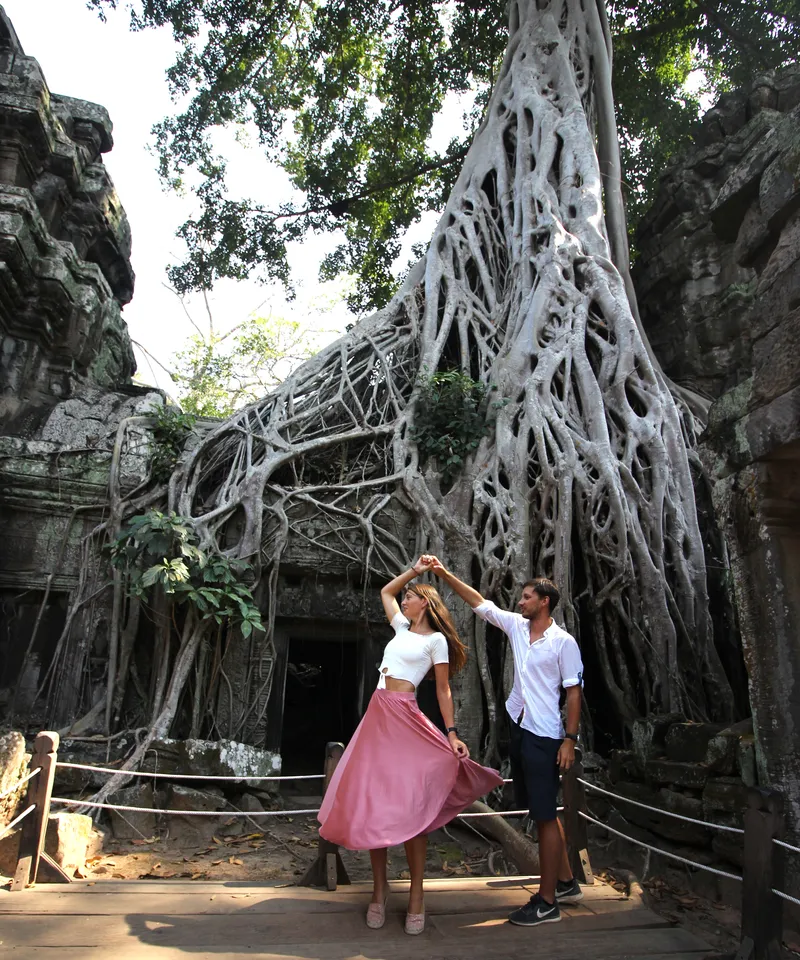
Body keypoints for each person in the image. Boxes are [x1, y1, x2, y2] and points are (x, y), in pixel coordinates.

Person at [318, 557, 503, 935]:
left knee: (412, 809)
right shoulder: (400, 628)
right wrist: (416, 571)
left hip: (404, 716)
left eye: (411, 596)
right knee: (374, 804)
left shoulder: (436, 641)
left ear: (427, 603)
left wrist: (451, 732)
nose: (403, 600)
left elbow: (443, 688)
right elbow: (385, 590)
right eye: (405, 597)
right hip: (377, 718)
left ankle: (417, 893)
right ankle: (379, 890)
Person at [430, 559, 584, 927]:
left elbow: (574, 694)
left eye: (527, 597)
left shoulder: (564, 643)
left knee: (546, 817)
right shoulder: (517, 627)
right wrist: (444, 574)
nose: (520, 602)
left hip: (546, 736)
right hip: (520, 727)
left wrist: (569, 740)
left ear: (544, 601)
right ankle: (565, 883)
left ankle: (547, 903)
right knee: (540, 811)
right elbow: (480, 604)